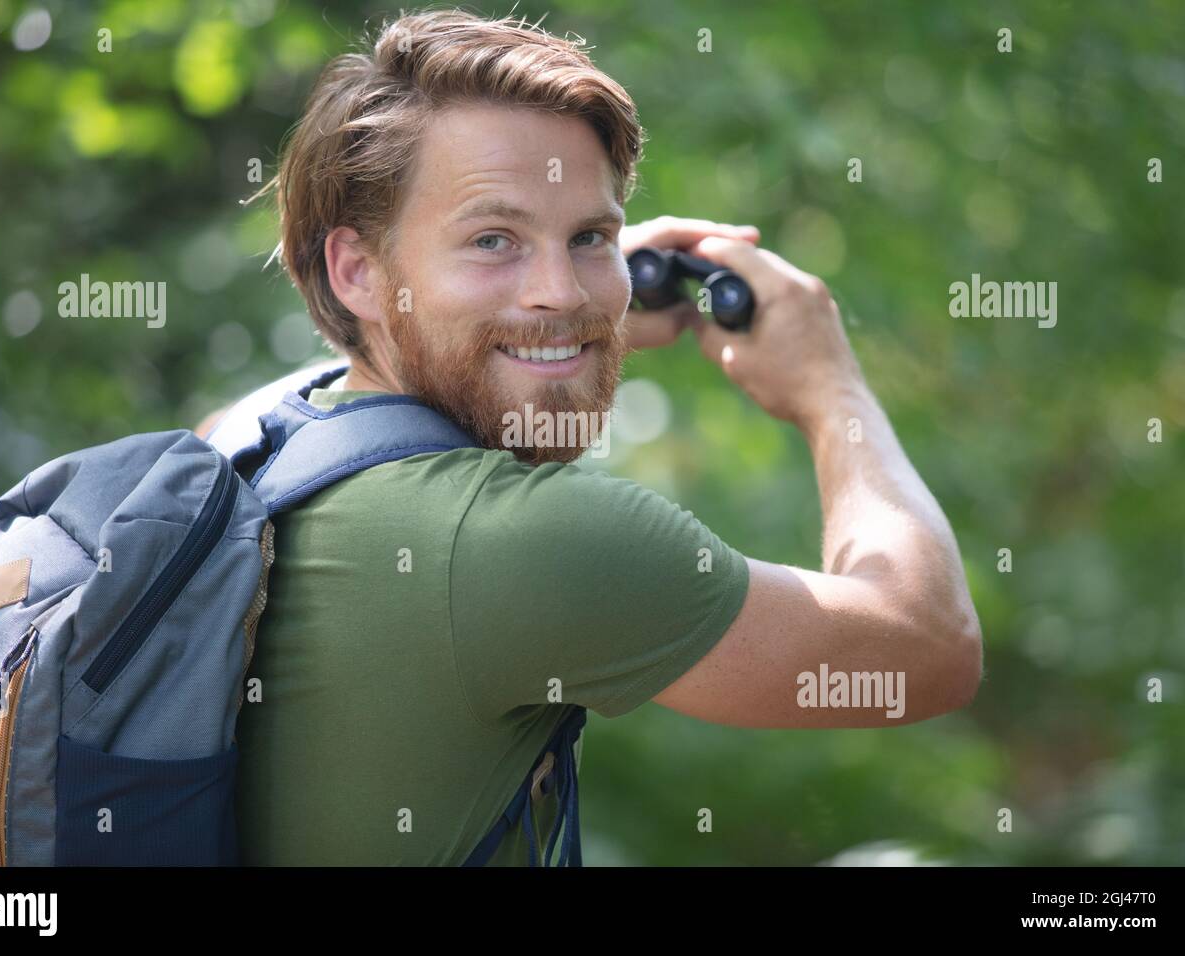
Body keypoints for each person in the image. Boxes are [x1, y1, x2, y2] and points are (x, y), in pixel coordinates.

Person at [198, 9, 983, 865]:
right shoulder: (525, 541)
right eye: (492, 239)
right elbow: (928, 647)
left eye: (590, 239)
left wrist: (535, 332)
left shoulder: (246, 443)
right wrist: (832, 393)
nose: (561, 289)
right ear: (357, 270)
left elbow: (355, 374)